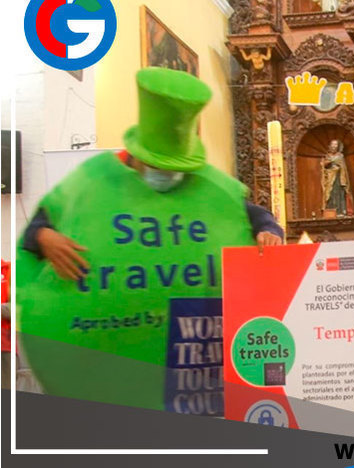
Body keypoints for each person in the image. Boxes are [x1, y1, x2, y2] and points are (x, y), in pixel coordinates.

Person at [16, 67, 282, 411]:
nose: (166, 175)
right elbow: (36, 228)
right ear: (137, 156)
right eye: (158, 166)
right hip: (113, 353)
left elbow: (252, 215)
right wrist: (45, 236)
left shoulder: (205, 186)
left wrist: (268, 231)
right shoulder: (93, 183)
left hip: (187, 352)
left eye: (174, 168)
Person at [322, 139, 350, 216]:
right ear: (330, 146)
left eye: (335, 144)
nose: (334, 146)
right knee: (330, 193)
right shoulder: (327, 156)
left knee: (339, 193)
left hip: (338, 177)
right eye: (332, 144)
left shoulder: (340, 156)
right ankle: (331, 210)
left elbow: (343, 167)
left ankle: (341, 211)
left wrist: (338, 167)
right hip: (330, 176)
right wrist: (328, 163)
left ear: (338, 146)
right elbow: (324, 166)